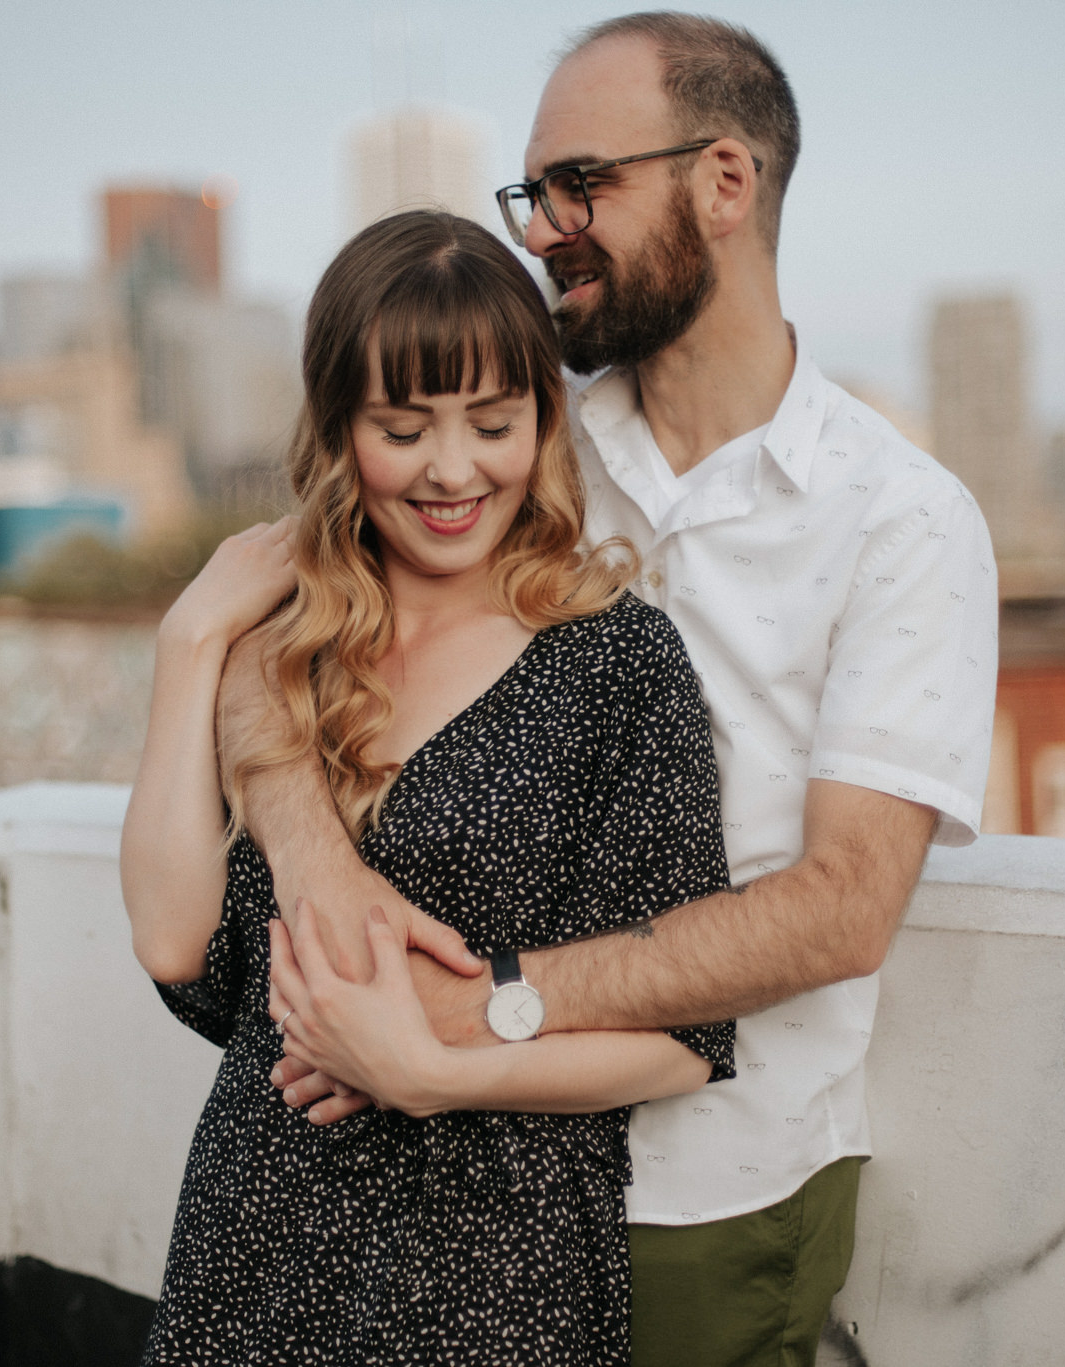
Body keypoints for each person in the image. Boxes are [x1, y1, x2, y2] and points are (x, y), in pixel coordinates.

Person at [240, 14, 999, 1367]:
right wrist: (320, 869)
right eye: (532, 194)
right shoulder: (520, 446)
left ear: (725, 182)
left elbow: (842, 910)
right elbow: (272, 636)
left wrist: (485, 1005)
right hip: (448, 1176)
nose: (542, 230)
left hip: (708, 1185)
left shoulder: (905, 520)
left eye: (582, 186)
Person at [119, 208, 736, 1365]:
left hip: (491, 1272)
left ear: (541, 421)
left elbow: (683, 1039)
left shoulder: (614, 661)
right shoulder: (278, 644)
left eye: (492, 422)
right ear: (341, 430)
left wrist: (431, 1073)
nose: (455, 470)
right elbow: (172, 943)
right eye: (404, 428)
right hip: (252, 1249)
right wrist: (190, 636)